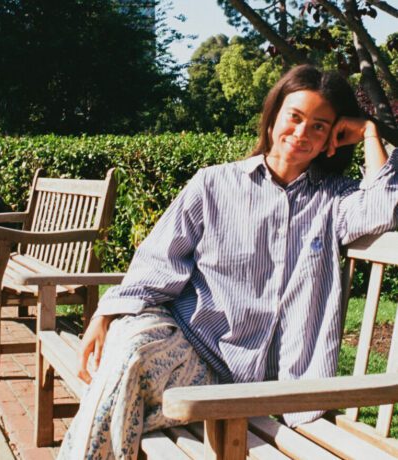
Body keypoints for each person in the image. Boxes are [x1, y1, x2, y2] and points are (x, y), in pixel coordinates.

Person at [58, 64, 398, 459]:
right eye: (295, 117)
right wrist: (107, 314)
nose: (303, 132)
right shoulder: (213, 184)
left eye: (320, 126)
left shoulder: (335, 201)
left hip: (239, 381)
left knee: (122, 391)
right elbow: (157, 259)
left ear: (331, 140)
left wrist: (371, 131)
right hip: (191, 346)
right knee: (128, 352)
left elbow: (384, 206)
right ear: (273, 119)